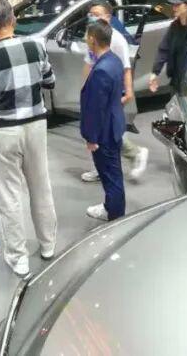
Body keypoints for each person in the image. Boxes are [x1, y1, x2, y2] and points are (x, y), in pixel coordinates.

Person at [0, 0, 58, 277]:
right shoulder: (36, 45)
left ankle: (18, 258)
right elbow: (50, 82)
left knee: (8, 195)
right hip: (36, 126)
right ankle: (48, 245)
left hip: (5, 130)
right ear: (13, 19)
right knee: (41, 187)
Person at [78, 1, 147, 185]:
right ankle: (100, 166)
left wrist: (129, 91)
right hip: (96, 88)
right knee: (99, 128)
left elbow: (126, 68)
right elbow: (89, 62)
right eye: (90, 14)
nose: (92, 17)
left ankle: (134, 154)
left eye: (96, 14)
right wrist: (84, 88)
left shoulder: (116, 39)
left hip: (109, 90)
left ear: (108, 17)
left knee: (105, 129)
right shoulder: (93, 35)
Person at [80, 21, 127, 222]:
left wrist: (92, 138)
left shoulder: (101, 70)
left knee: (110, 176)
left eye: (86, 36)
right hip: (114, 125)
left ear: (93, 39)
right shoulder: (114, 61)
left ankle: (115, 215)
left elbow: (95, 108)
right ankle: (111, 207)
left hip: (104, 132)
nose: (85, 39)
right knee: (113, 173)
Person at [148, 0, 187, 96]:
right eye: (174, 5)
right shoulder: (175, 26)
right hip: (175, 80)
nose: (174, 8)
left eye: (178, 5)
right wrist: (155, 73)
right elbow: (164, 49)